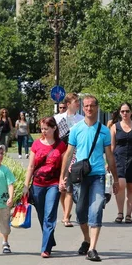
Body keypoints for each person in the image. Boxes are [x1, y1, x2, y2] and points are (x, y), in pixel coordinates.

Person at [60, 94, 119, 262]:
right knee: (79, 213)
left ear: (97, 107)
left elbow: (110, 156)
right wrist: (62, 177)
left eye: (92, 105)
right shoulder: (77, 129)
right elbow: (68, 153)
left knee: (96, 209)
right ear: (82, 108)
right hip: (80, 176)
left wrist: (115, 179)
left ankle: (92, 248)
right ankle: (86, 239)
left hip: (97, 176)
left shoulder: (104, 131)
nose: (89, 108)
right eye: (86, 106)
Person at [23, 117, 67, 258]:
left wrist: (62, 181)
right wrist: (25, 185)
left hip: (53, 184)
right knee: (42, 215)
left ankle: (45, 248)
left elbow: (64, 167)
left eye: (46, 129)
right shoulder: (36, 144)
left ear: (54, 128)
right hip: (37, 185)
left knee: (49, 215)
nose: (44, 131)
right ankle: (50, 239)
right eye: (42, 129)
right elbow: (30, 166)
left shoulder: (61, 146)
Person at [54, 93, 84, 227]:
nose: (78, 103)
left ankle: (66, 217)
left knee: (70, 184)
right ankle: (66, 210)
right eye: (75, 101)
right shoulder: (58, 119)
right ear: (67, 104)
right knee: (62, 186)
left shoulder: (82, 119)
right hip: (60, 154)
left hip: (76, 155)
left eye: (78, 101)